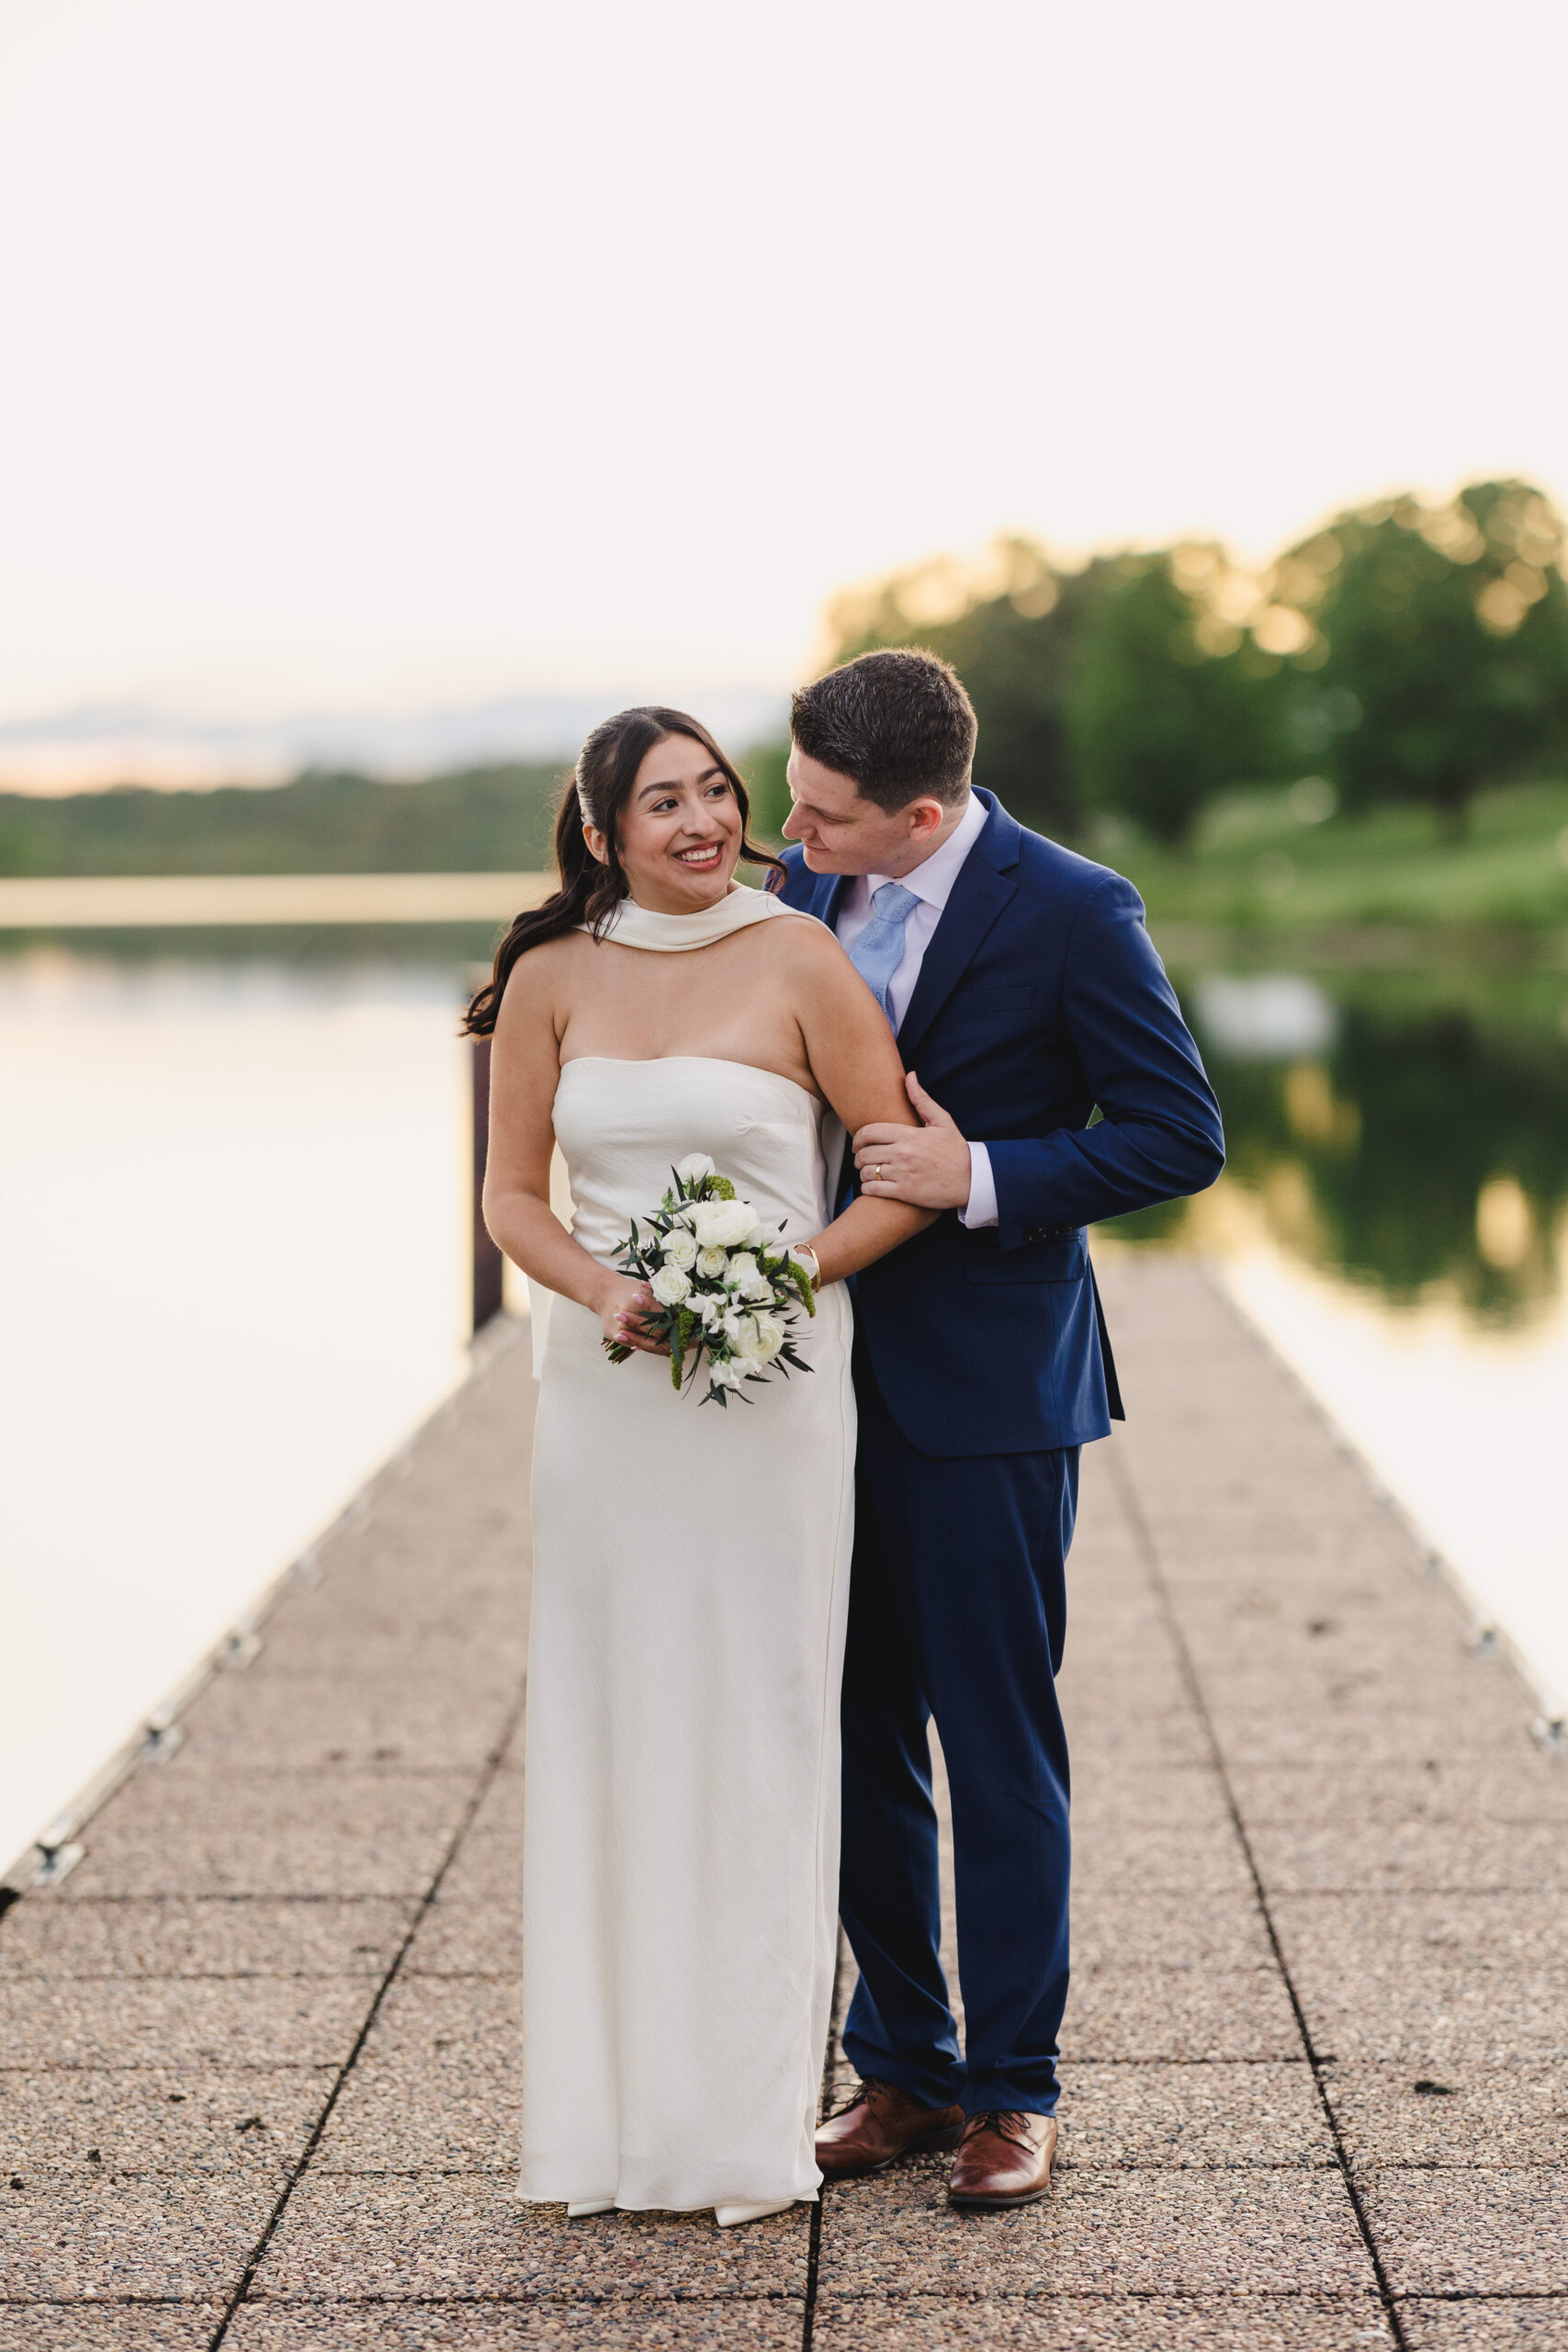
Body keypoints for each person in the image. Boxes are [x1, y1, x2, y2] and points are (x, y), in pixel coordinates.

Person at [468, 707, 931, 2227]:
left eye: (716, 791)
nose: (701, 820)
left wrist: (788, 1281)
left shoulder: (805, 955)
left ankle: (739, 2119)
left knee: (763, 1714)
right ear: (601, 833)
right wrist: (601, 1289)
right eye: (661, 802)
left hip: (775, 1396)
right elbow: (514, 1199)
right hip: (610, 1398)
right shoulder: (549, 974)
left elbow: (897, 1170)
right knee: (620, 1714)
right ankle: (609, 2120)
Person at [775, 648, 1225, 2210]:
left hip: (990, 1393)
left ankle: (1014, 2092)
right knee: (851, 1734)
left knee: (997, 1741)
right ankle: (898, 2061)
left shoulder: (1076, 910)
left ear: (920, 813)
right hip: (815, 1386)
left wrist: (974, 1180)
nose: (794, 834)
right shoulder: (803, 878)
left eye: (825, 817)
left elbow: (1179, 1135)